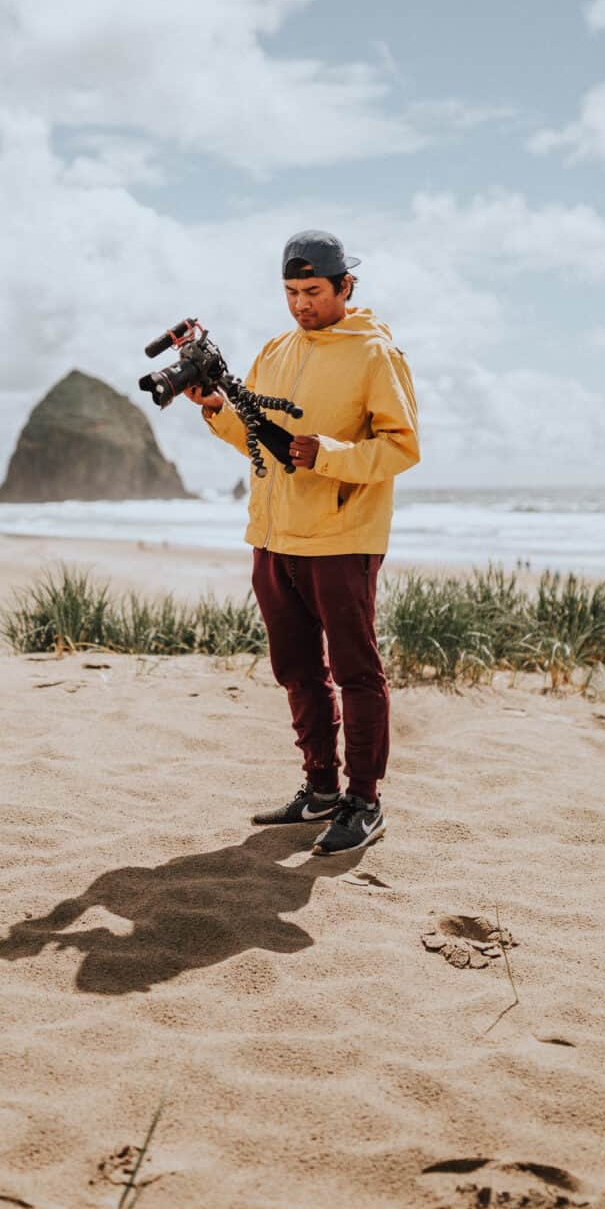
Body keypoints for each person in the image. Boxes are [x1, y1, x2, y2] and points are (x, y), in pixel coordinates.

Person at [185, 230, 419, 855]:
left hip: (342, 536)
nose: (300, 304)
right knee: (295, 668)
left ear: (346, 286)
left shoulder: (376, 353)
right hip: (274, 533)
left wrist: (330, 454)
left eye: (312, 291)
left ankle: (364, 802)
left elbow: (402, 445)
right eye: (290, 292)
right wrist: (215, 408)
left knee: (355, 671)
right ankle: (320, 789)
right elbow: (258, 438)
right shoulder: (276, 349)